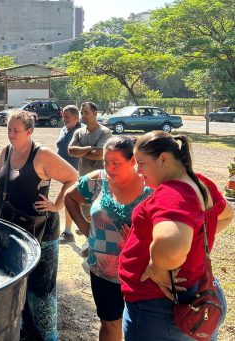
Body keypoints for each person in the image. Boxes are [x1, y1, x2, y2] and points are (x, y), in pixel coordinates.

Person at [118, 131, 233, 340]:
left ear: (163, 159)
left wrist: (157, 265)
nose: (137, 170)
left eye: (142, 163)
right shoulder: (199, 182)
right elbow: (226, 215)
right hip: (196, 297)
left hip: (161, 310)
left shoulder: (171, 194)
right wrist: (192, 239)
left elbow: (169, 248)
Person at [0, 110, 78, 341]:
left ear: (30, 131)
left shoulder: (42, 155)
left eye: (16, 131)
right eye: (9, 129)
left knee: (41, 287)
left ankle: (47, 336)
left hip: (41, 230)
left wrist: (57, 204)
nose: (11, 135)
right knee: (15, 280)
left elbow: (73, 177)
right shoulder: (6, 151)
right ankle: (22, 330)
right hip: (12, 226)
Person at [64, 136, 152, 341]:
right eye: (106, 161)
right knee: (109, 322)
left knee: (140, 328)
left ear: (133, 162)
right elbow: (70, 196)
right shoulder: (98, 180)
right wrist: (86, 229)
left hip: (141, 273)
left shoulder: (151, 186)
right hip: (102, 272)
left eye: (116, 163)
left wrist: (140, 239)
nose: (109, 168)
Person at [68, 102, 112, 256]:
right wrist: (89, 149)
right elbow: (70, 150)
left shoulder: (105, 132)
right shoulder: (79, 132)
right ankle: (91, 238)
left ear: (95, 113)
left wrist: (81, 151)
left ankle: (95, 242)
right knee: (86, 210)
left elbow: (100, 154)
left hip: (101, 179)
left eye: (86, 112)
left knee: (99, 212)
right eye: (82, 112)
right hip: (84, 178)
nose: (83, 115)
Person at [56, 105, 83, 243]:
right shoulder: (64, 129)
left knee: (68, 201)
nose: (64, 119)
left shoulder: (82, 131)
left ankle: (68, 232)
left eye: (67, 117)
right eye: (63, 116)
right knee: (71, 201)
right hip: (63, 174)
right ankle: (79, 226)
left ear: (76, 117)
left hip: (75, 173)